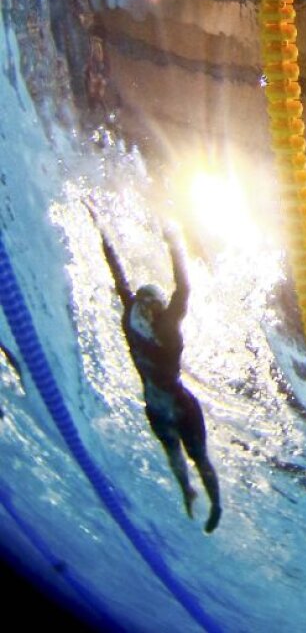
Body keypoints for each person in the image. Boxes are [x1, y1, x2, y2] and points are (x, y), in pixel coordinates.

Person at [92, 213, 222, 532]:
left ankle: (212, 502)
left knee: (192, 456)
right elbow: (121, 275)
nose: (147, 307)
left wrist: (174, 242)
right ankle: (190, 492)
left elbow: (180, 289)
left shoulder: (153, 323)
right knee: (178, 454)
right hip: (163, 405)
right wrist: (102, 228)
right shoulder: (142, 316)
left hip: (170, 404)